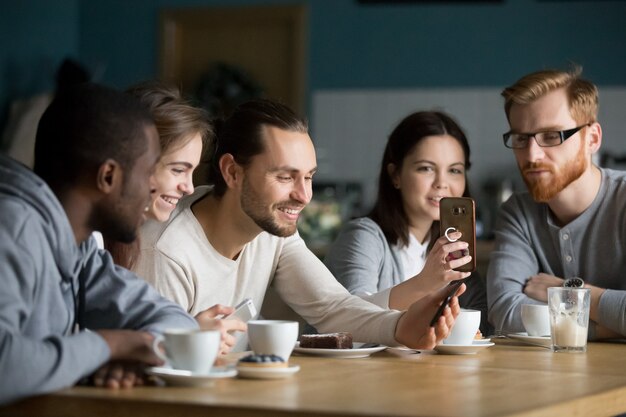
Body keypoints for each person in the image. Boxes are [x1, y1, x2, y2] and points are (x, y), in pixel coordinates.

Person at [134, 98, 465, 351]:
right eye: (284, 176)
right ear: (233, 172)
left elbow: (333, 307)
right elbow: (156, 373)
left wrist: (401, 327)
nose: (304, 195)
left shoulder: (270, 229)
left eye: (308, 177)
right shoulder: (166, 251)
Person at [0, 83, 198, 405]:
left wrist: (130, 352)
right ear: (108, 176)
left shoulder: (79, 249)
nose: (152, 186)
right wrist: (110, 346)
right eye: (148, 171)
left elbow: (179, 324)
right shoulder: (14, 229)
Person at [104, 81, 246, 353]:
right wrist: (185, 336)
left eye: (192, 172)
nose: (190, 188)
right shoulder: (109, 243)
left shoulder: (124, 238)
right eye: (178, 170)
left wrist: (186, 332)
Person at [487, 67, 626, 340]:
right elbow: (505, 313)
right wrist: (612, 326)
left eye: (551, 136)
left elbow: (523, 318)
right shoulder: (517, 213)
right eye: (521, 138)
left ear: (592, 139)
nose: (532, 154)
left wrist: (569, 291)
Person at [324, 111, 489, 334]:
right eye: (426, 168)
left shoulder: (450, 250)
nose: (442, 183)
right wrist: (424, 283)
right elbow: (349, 322)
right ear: (395, 175)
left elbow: (480, 325)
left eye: (454, 170)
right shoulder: (364, 236)